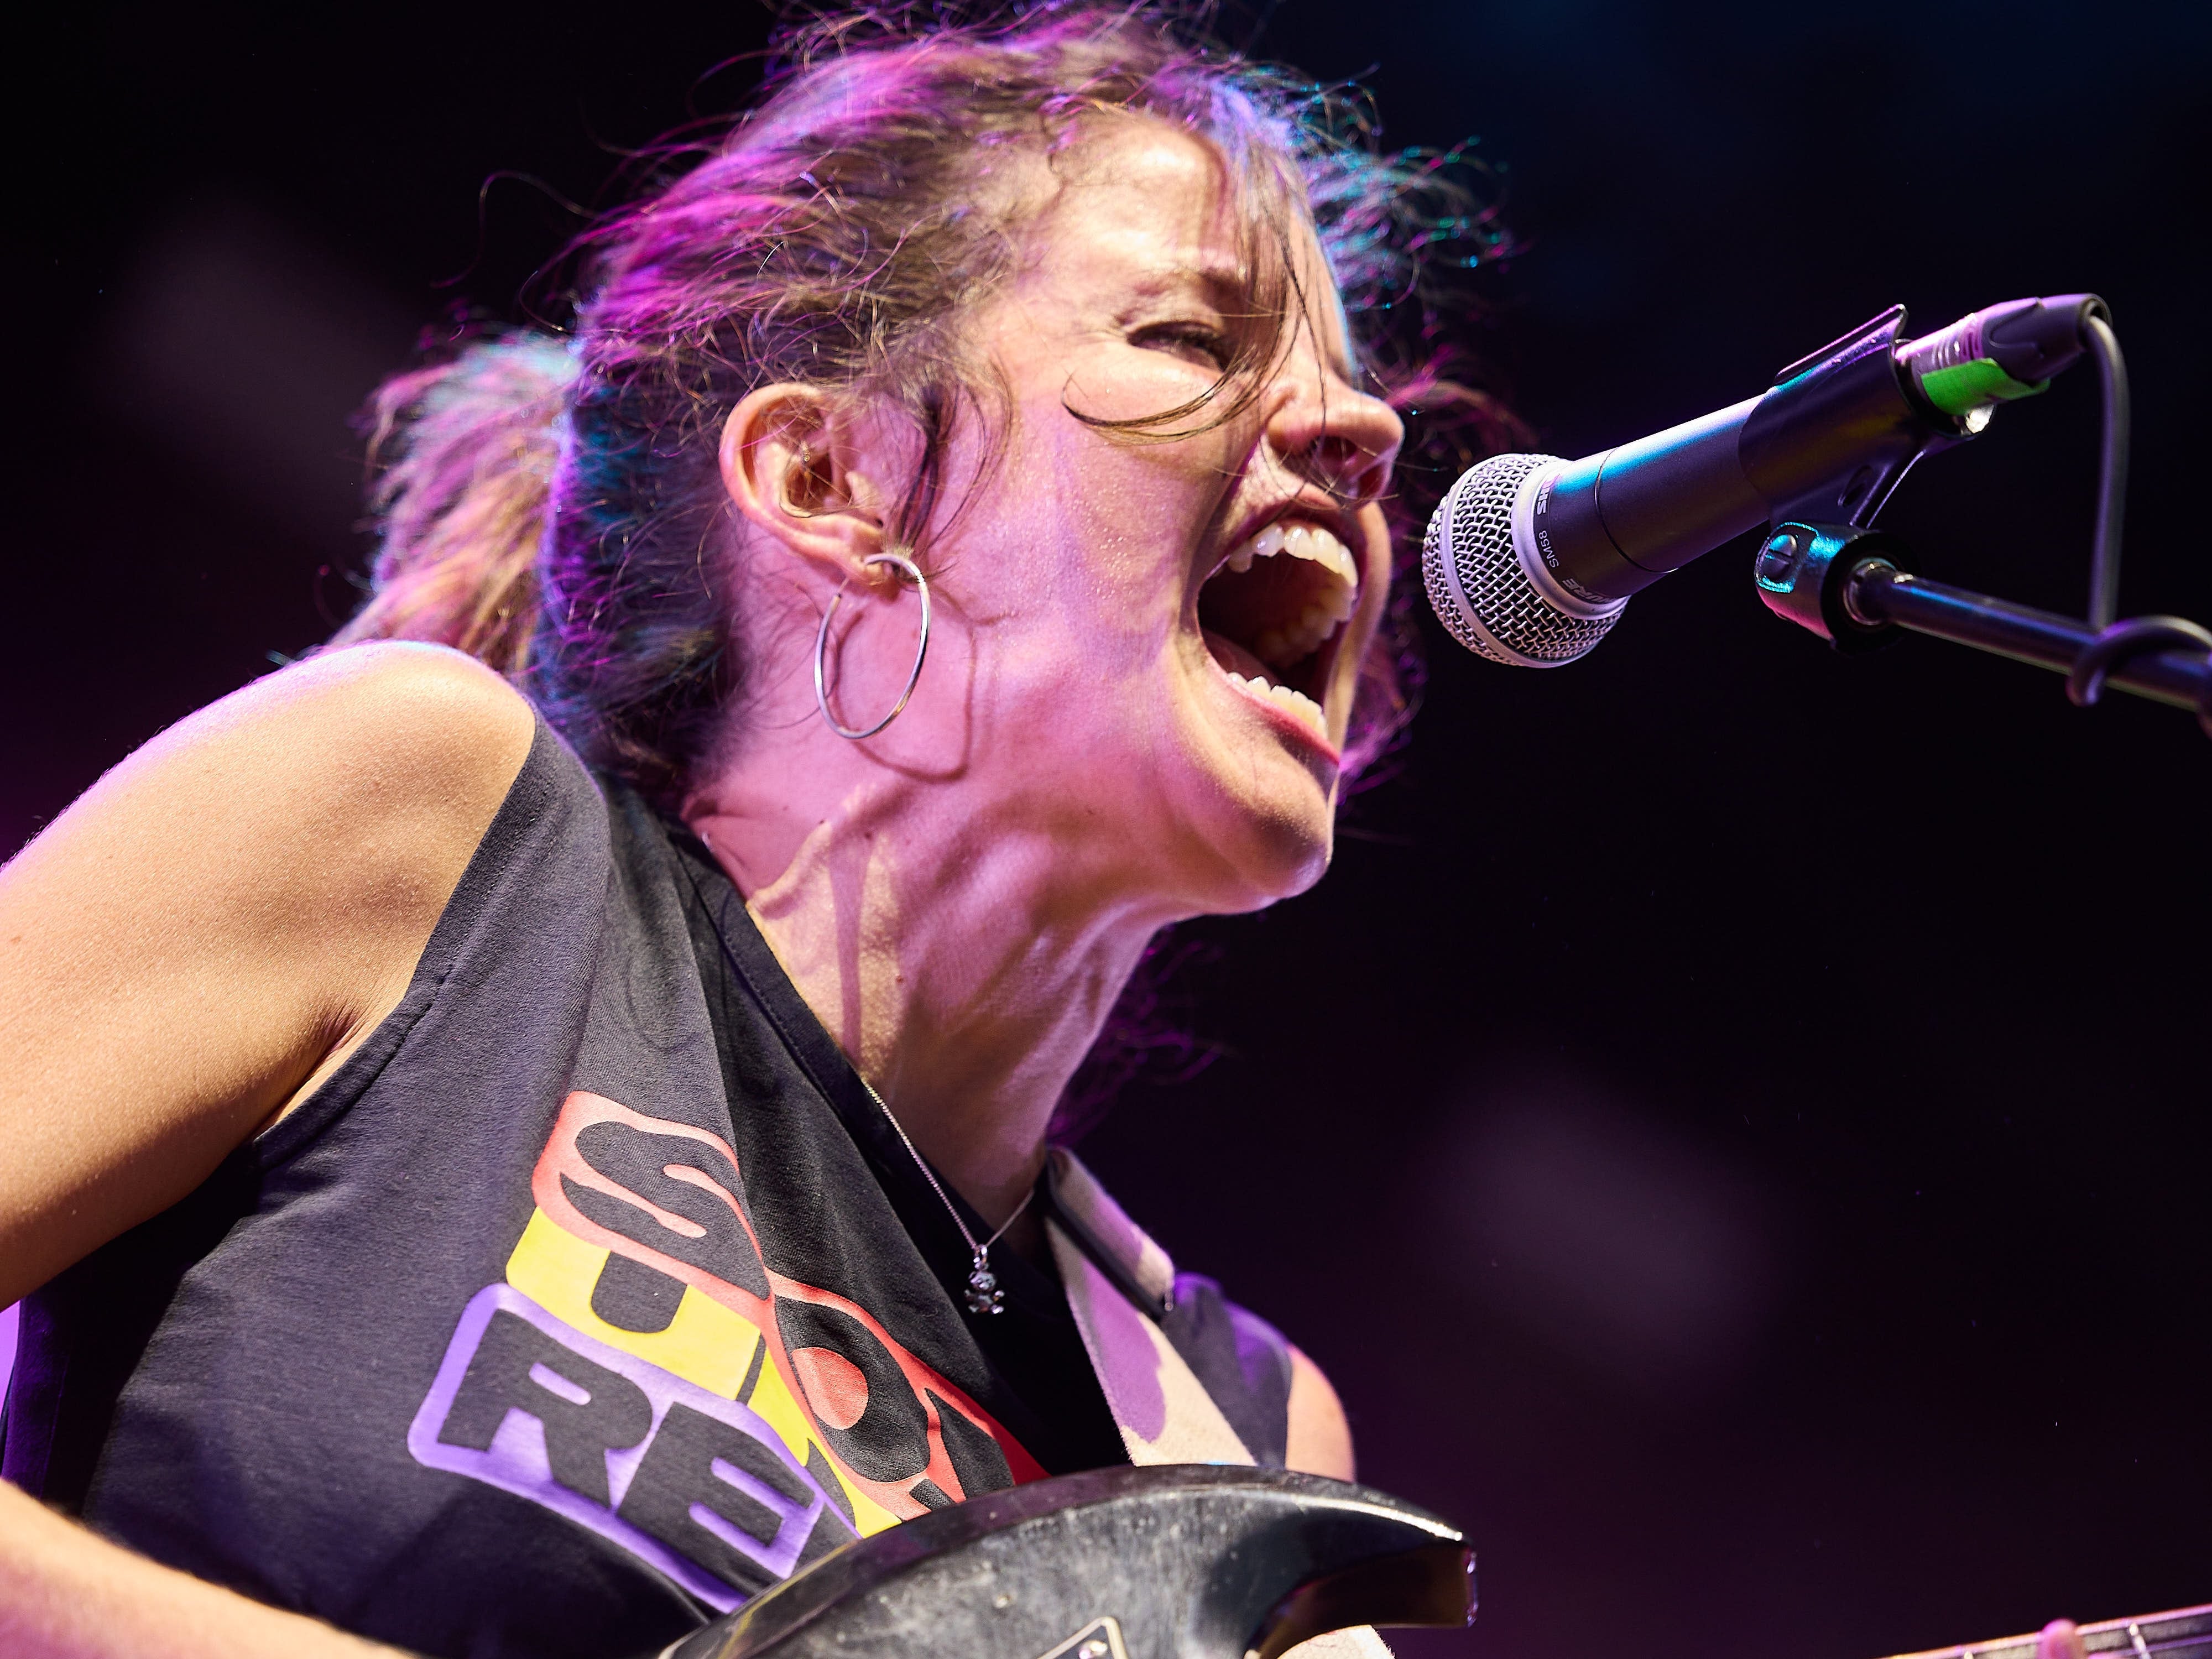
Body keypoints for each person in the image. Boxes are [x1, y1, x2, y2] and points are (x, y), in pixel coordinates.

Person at [0, 6, 1477, 1657]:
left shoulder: (1240, 1440)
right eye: (1194, 343)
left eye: (1340, 389)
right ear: (831, 478)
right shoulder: (423, 828)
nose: (1367, 440)